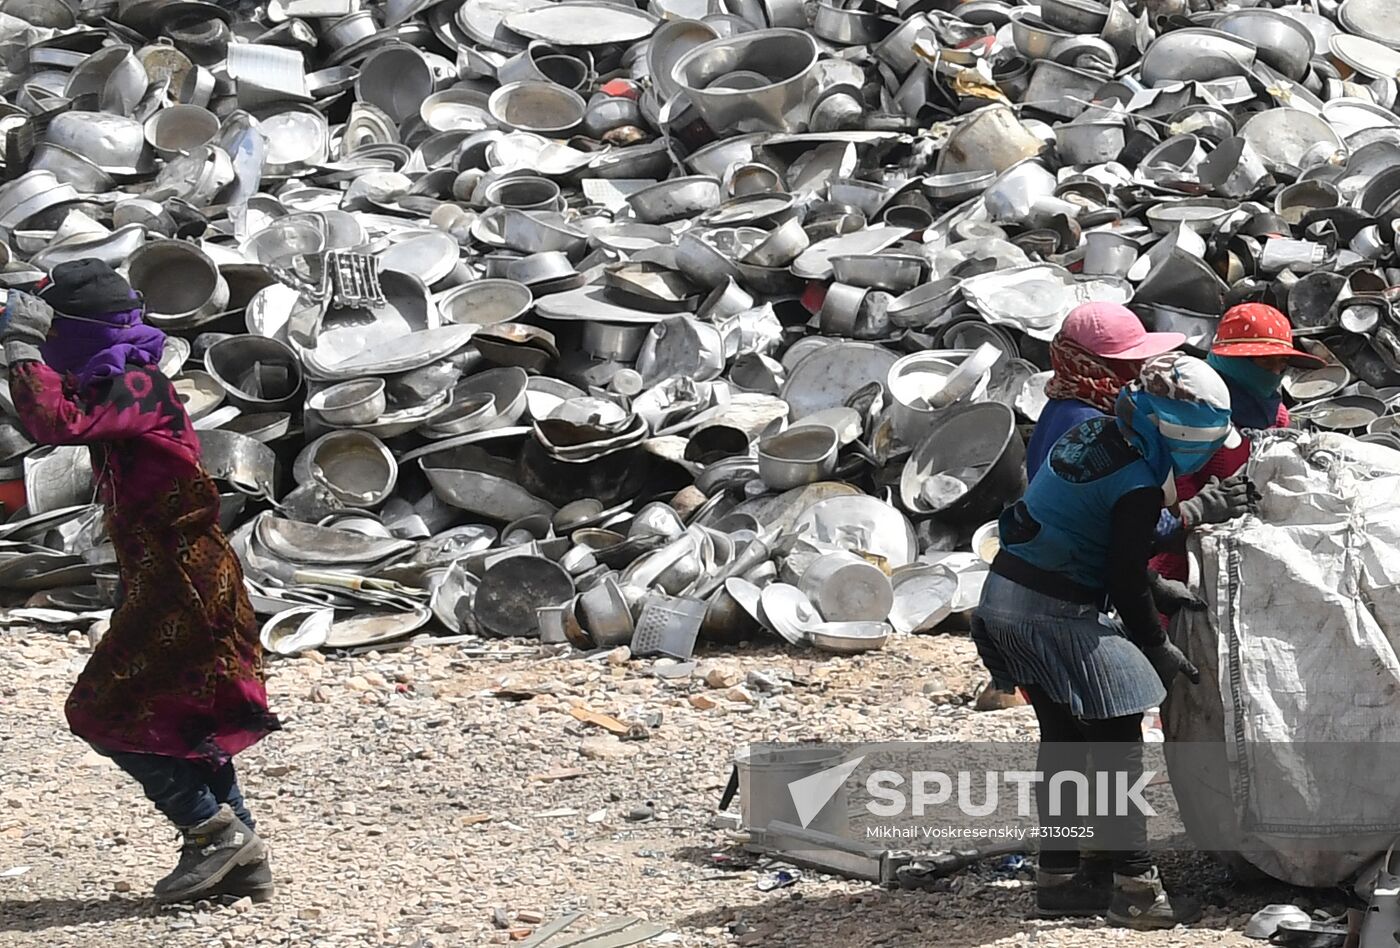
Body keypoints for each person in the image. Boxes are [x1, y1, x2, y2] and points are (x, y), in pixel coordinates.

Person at [2, 260, 279, 904]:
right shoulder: (116, 380)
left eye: (51, 337)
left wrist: (21, 348)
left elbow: (53, 423)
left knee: (99, 712)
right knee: (186, 718)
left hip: (183, 584)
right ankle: (238, 859)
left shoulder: (136, 384)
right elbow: (59, 412)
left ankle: (214, 834)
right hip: (170, 578)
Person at [972, 352, 1237, 930]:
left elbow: (1092, 533)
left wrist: (1154, 586)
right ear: (1177, 435)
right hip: (1052, 611)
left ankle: (1061, 879)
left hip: (1003, 601)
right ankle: (1137, 889)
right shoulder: (1140, 483)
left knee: (1065, 743)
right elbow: (1119, 570)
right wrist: (1154, 644)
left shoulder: (1093, 435)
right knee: (1118, 742)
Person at [1150, 303, 1320, 587]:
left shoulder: (1275, 414)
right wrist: (1206, 508)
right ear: (1234, 361)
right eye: (1266, 363)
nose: (1276, 373)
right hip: (1188, 557)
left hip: (1253, 549)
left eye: (1282, 364)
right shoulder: (1189, 413)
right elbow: (1173, 502)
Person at [1025, 302, 1184, 481]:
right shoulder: (1093, 427)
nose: (1140, 366)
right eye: (1130, 361)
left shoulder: (1064, 399)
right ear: (1093, 365)